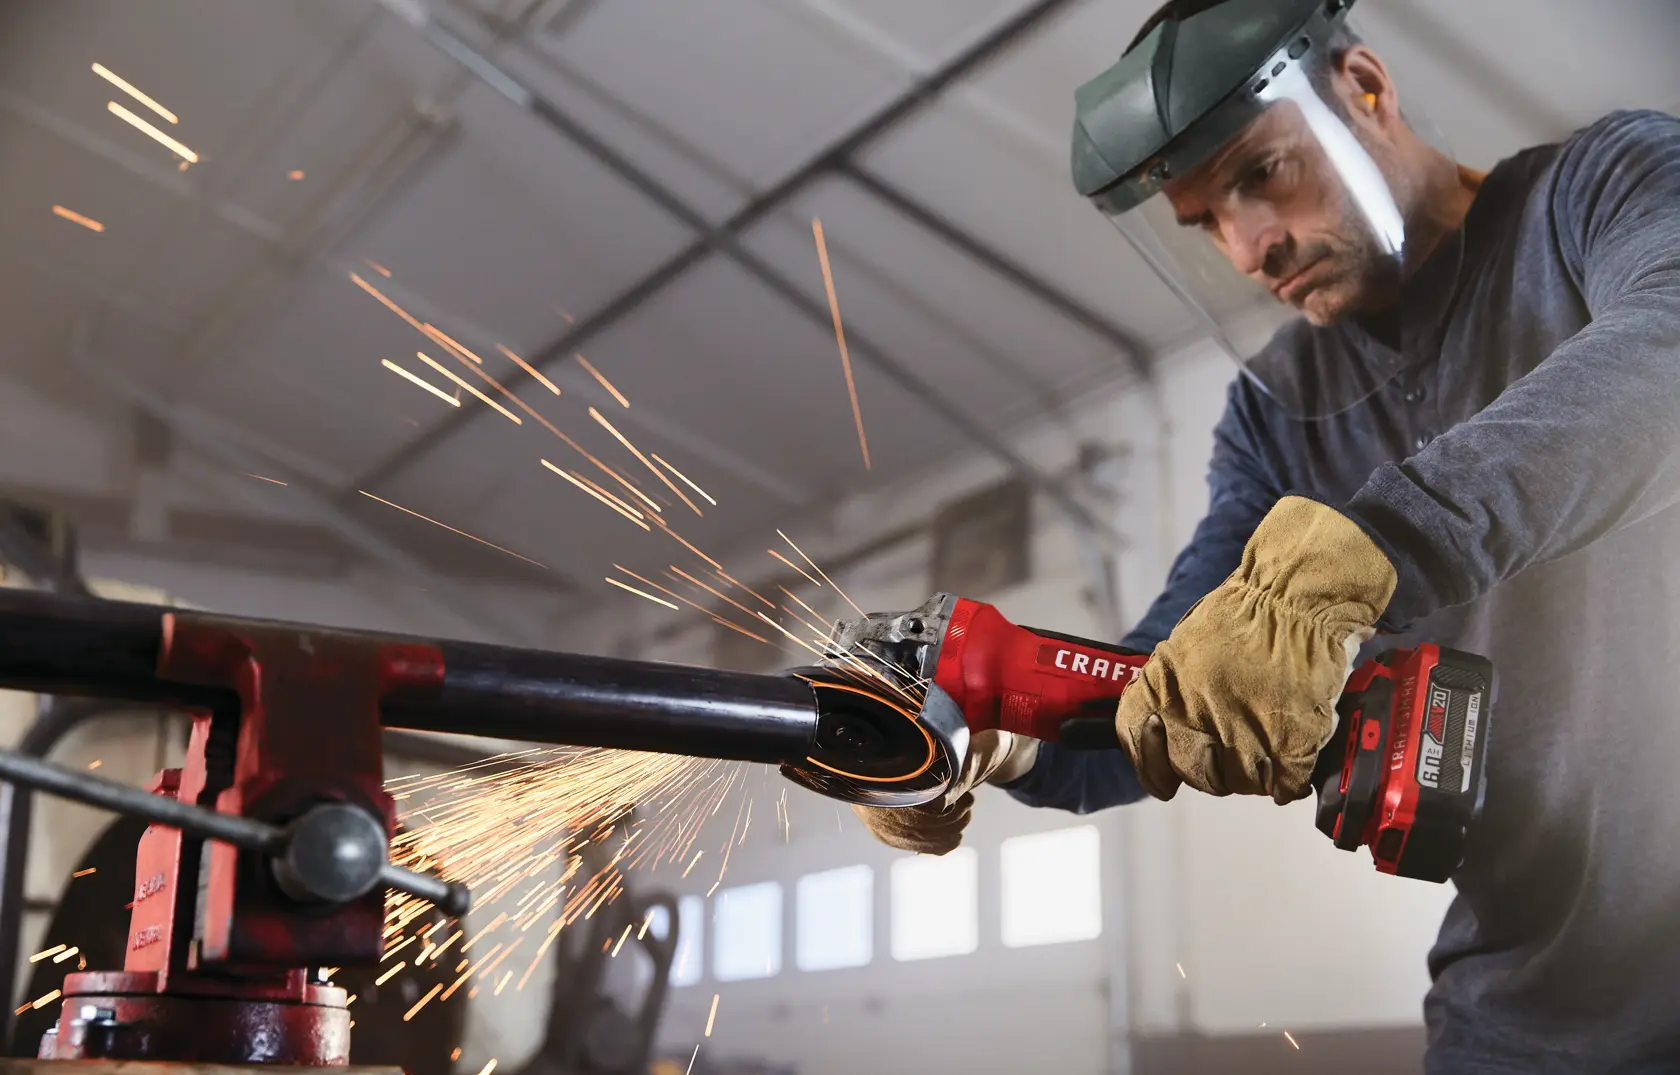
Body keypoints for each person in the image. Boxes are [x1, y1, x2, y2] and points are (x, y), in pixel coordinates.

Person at [853, 0, 1680, 1070]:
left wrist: (1375, 545)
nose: (1251, 245)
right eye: (1204, 221)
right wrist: (989, 720)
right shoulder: (1276, 412)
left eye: (1260, 174)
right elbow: (1168, 686)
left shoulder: (1598, 191)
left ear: (1366, 90)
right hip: (1520, 1018)